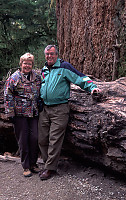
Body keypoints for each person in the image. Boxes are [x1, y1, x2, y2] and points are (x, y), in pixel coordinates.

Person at [38, 45, 101, 180]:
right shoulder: (44, 70)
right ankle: (46, 164)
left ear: (57, 55)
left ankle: (50, 169)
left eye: (52, 54)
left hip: (60, 109)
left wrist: (92, 87)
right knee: (42, 139)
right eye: (47, 54)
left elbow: (80, 78)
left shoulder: (64, 67)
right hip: (44, 109)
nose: (49, 56)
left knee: (54, 140)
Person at [4, 53, 41, 177]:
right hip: (19, 114)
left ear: (32, 65)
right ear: (21, 64)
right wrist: (10, 112)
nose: (27, 65)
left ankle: (33, 163)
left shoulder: (36, 77)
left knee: (35, 138)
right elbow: (7, 95)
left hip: (34, 112)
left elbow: (41, 90)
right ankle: (26, 166)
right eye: (25, 63)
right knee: (23, 140)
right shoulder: (15, 77)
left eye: (29, 63)